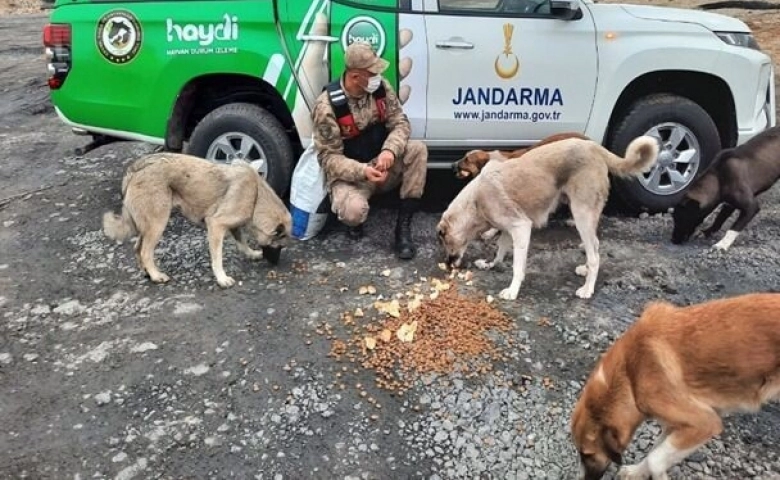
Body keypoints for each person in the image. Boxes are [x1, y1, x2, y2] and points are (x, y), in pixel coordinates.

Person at [311, 41, 428, 260]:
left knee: (418, 150)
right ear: (355, 76)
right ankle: (353, 220)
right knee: (353, 212)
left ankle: (403, 226)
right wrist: (362, 171)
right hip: (352, 174)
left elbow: (400, 123)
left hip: (382, 163)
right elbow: (328, 158)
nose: (378, 75)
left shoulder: (380, 87)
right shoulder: (326, 106)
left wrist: (389, 152)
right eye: (372, 72)